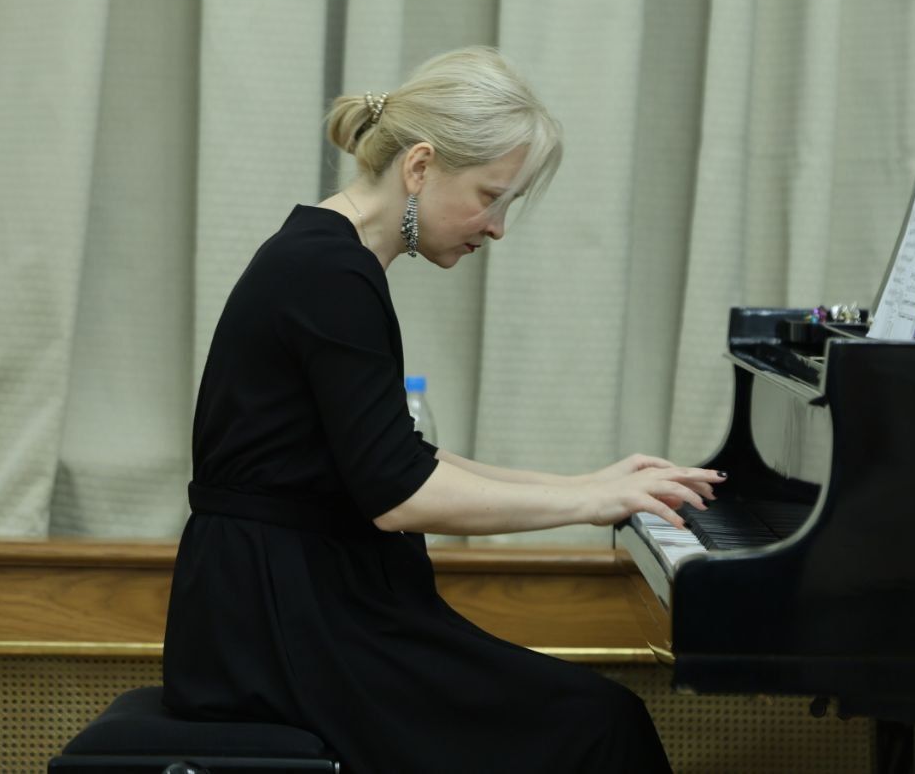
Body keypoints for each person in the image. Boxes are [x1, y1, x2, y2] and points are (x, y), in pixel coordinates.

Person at [162, 46, 724, 774]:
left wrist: (588, 484)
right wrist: (588, 503)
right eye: (491, 196)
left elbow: (398, 458)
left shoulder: (328, 256)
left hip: (294, 600)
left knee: (592, 718)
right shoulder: (329, 271)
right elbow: (400, 495)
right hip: (281, 623)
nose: (497, 226)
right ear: (421, 166)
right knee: (598, 725)